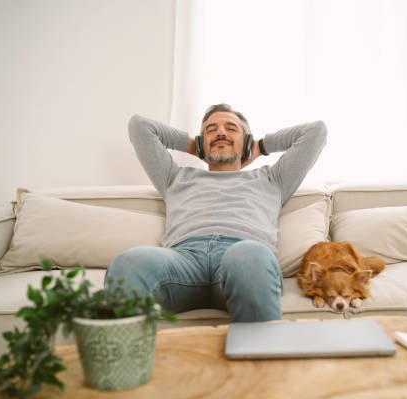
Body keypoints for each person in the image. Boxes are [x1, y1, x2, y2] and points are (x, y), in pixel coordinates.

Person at [105, 103, 326, 322]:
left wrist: (260, 146)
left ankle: (261, 355)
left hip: (242, 259)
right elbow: (139, 126)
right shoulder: (174, 177)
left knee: (248, 255)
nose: (220, 132)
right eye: (211, 130)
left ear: (246, 141)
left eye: (231, 128)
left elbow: (316, 132)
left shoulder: (272, 179)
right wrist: (196, 146)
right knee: (129, 263)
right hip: (183, 260)